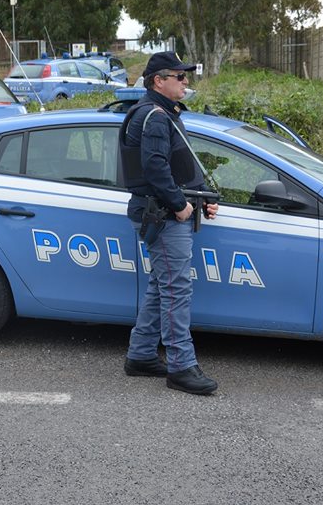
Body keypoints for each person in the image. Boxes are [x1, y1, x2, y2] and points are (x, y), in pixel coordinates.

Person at [118, 51, 220, 395]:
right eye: (179, 76)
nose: (186, 81)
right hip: (161, 215)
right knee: (177, 290)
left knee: (161, 286)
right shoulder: (155, 116)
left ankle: (142, 355)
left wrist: (203, 198)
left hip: (161, 211)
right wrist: (179, 206)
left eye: (185, 75)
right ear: (158, 81)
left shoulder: (164, 114)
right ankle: (180, 367)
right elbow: (155, 168)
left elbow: (180, 164)